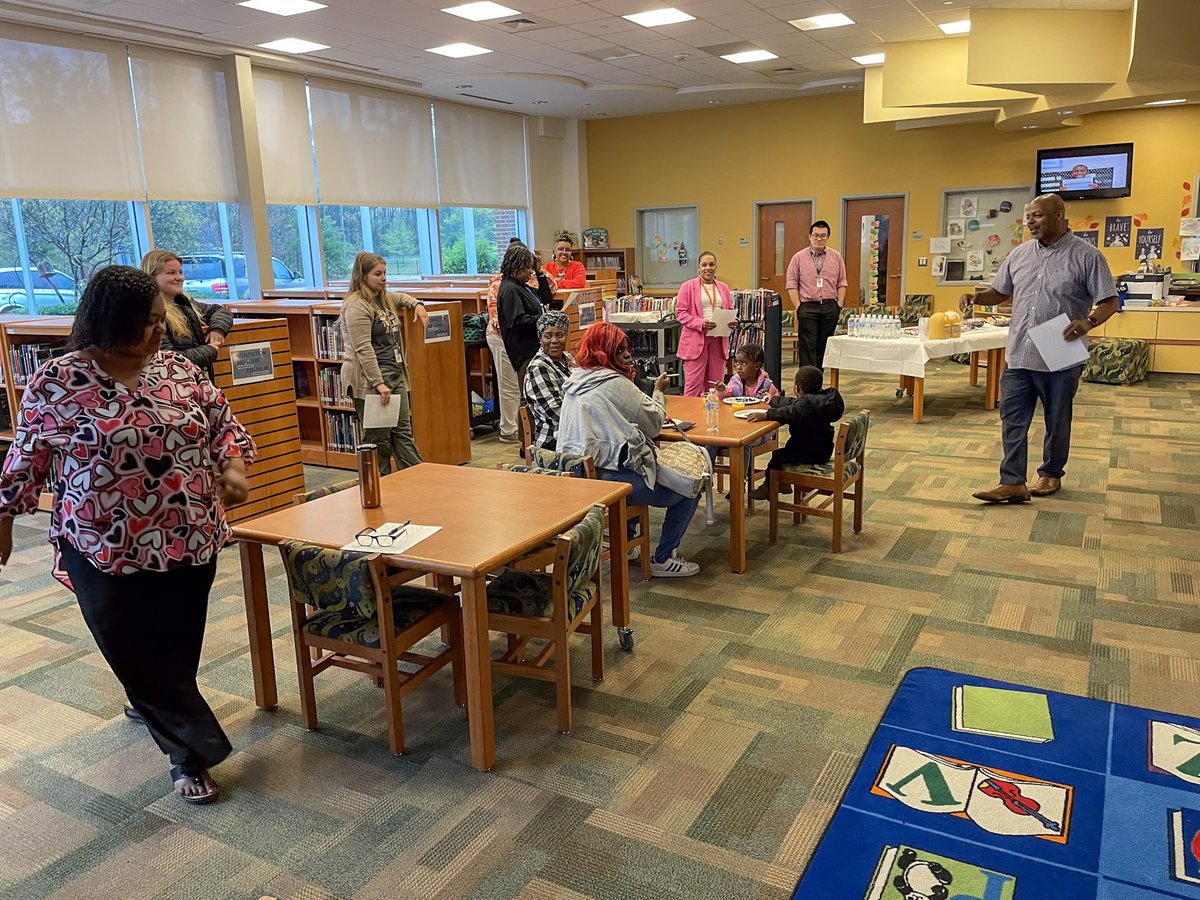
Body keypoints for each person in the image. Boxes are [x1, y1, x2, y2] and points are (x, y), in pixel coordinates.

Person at [0, 265, 255, 804]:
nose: (159, 333)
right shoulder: (59, 381)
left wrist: (233, 465)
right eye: (147, 324)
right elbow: (27, 458)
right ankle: (192, 749)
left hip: (189, 533)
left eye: (162, 321)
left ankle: (163, 717)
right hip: (101, 544)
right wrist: (4, 517)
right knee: (127, 643)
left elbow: (223, 426)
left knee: (178, 644)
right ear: (108, 322)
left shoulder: (178, 373)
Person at [968, 194, 1117, 503]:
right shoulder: (1019, 254)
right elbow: (1000, 292)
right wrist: (978, 298)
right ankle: (1012, 481)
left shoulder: (1087, 256)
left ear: (1059, 215)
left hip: (1060, 348)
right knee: (1012, 418)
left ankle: (1051, 473)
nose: (1030, 222)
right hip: (1020, 348)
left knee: (1057, 418)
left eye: (1037, 216)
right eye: (1028, 216)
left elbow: (1109, 301)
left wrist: (1089, 322)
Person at [558, 322, 702, 577]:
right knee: (690, 485)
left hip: (579, 478)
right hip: (613, 481)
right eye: (620, 349)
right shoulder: (614, 383)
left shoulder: (575, 380)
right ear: (604, 352)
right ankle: (664, 558)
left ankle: (625, 543)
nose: (627, 355)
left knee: (635, 466)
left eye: (627, 348)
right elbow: (655, 423)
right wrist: (658, 391)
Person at [339, 251, 428, 474]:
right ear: (362, 276)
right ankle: (378, 488)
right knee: (378, 439)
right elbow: (363, 348)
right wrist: (378, 383)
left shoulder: (383, 297)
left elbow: (402, 298)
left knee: (402, 432)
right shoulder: (357, 305)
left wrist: (418, 304)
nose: (384, 278)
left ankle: (418, 478)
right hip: (371, 380)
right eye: (378, 274)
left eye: (385, 273)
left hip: (395, 373)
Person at [745, 365, 844, 500]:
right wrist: (773, 400)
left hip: (807, 452)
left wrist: (767, 414)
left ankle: (768, 488)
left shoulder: (804, 406)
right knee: (783, 454)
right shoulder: (821, 400)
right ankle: (783, 484)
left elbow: (789, 412)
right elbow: (794, 404)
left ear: (797, 388)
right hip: (823, 449)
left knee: (777, 458)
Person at [140, 250, 233, 381]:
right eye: (171, 273)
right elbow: (168, 361)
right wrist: (210, 350)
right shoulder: (150, 314)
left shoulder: (184, 302)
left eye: (180, 272)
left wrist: (218, 329)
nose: (180, 278)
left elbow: (220, 311)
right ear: (151, 277)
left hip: (195, 383)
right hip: (174, 387)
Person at [785, 220, 847, 371]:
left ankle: (818, 380)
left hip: (829, 307)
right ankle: (806, 384)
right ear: (810, 237)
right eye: (816, 235)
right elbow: (791, 283)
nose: (819, 239)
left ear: (828, 237)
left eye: (823, 236)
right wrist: (799, 307)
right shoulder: (798, 257)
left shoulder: (836, 257)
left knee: (824, 347)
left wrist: (838, 305)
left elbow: (842, 282)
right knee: (807, 347)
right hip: (807, 307)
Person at [675, 250, 734, 397]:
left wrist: (733, 321)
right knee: (693, 385)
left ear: (716, 267)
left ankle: (713, 418)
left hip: (718, 339)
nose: (708, 268)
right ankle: (690, 418)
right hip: (696, 340)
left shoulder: (724, 288)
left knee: (716, 385)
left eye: (712, 264)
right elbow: (680, 313)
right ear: (698, 267)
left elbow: (730, 309)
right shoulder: (687, 287)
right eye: (704, 265)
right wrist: (700, 323)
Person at [496, 242, 554, 389]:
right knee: (530, 394)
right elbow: (517, 322)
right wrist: (544, 319)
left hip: (533, 349)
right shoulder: (510, 289)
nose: (531, 271)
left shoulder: (522, 286)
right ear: (517, 266)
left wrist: (540, 272)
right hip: (524, 352)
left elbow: (545, 298)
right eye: (528, 267)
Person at [485, 238, 526, 444]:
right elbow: (499, 319)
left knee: (517, 385)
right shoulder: (500, 286)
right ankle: (508, 429)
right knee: (509, 384)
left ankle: (519, 427)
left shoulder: (522, 283)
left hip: (514, 339)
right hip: (501, 338)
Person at [522, 310, 574, 450]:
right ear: (540, 339)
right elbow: (555, 411)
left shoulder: (569, 359)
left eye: (560, 335)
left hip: (573, 432)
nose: (554, 341)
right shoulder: (539, 367)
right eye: (548, 336)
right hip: (553, 439)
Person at [714, 343, 778, 400]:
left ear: (757, 366)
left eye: (744, 364)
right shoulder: (735, 382)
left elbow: (776, 401)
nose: (738, 367)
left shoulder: (766, 384)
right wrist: (721, 390)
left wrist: (768, 398)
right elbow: (725, 397)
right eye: (737, 363)